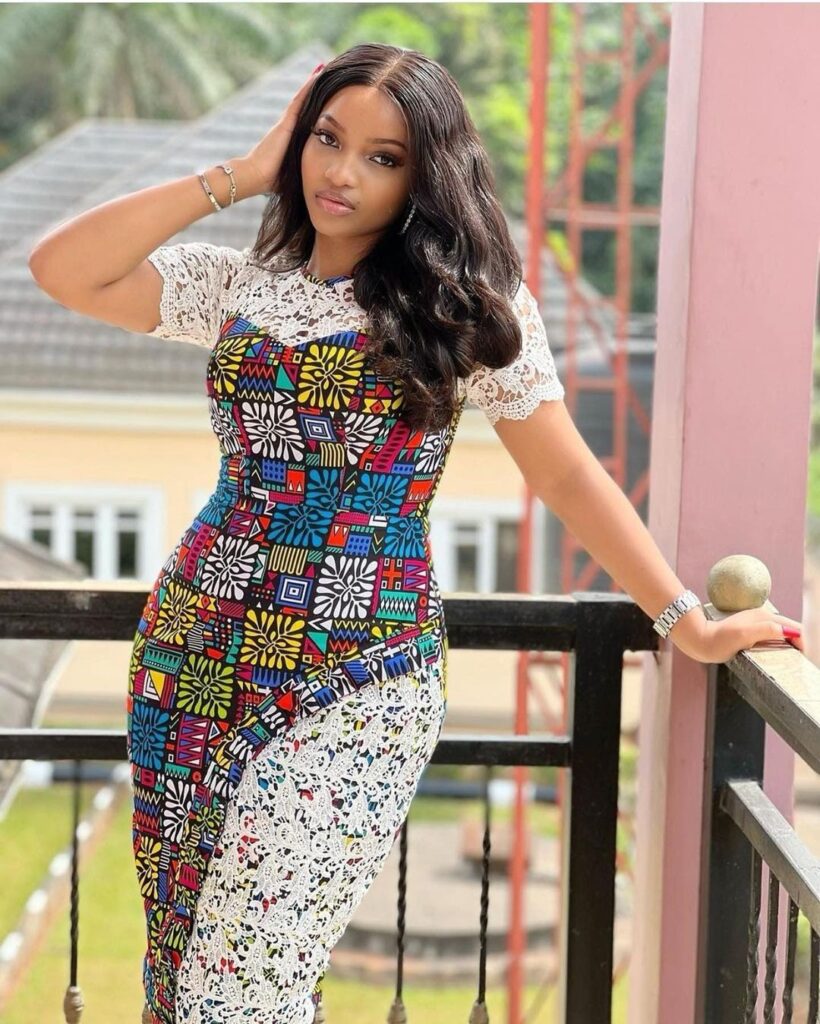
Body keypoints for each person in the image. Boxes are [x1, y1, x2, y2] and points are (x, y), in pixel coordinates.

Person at [27, 41, 803, 1024]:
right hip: (196, 653)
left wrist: (684, 618)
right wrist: (242, 174)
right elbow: (62, 268)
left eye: (383, 157)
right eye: (327, 140)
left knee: (243, 985)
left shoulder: (465, 307)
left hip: (360, 674)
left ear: (423, 175)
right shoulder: (238, 286)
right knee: (183, 974)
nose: (343, 173)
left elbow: (562, 471)